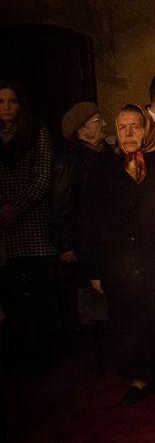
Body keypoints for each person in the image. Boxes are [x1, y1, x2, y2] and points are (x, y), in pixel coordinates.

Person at [80, 105, 155, 407]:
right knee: (131, 319)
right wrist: (95, 268)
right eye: (122, 127)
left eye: (136, 126)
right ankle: (141, 376)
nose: (129, 134)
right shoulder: (106, 168)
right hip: (123, 263)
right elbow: (93, 220)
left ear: (146, 129)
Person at [50, 102, 113, 364]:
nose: (105, 124)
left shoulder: (106, 152)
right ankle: (94, 354)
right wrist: (65, 244)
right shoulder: (70, 160)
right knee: (89, 295)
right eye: (98, 120)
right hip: (84, 240)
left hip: (110, 238)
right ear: (81, 130)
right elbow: (60, 204)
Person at [0, 81, 57, 361]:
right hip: (4, 229)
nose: (6, 107)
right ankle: (21, 354)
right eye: (1, 102)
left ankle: (47, 355)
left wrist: (15, 207)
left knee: (40, 296)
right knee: (12, 300)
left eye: (12, 101)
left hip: (33, 226)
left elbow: (42, 178)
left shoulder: (36, 131)